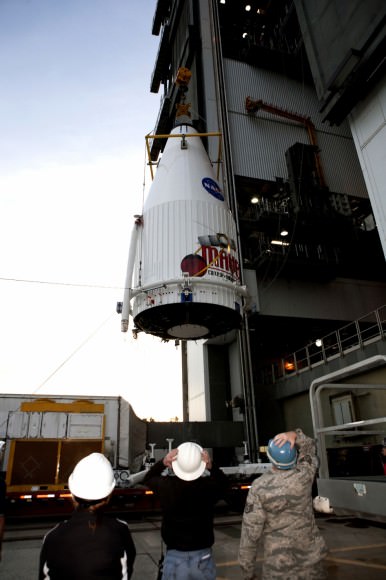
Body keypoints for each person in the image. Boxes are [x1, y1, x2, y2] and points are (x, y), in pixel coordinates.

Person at [239, 429, 328, 580]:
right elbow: (309, 447)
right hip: (312, 564)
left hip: (278, 568)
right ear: (294, 457)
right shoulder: (305, 475)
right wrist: (294, 434)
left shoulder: (260, 487)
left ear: (270, 458)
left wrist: (247, 572)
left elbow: (250, 535)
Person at [39, 452, 136, 579]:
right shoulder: (120, 530)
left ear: (72, 494)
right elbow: (126, 571)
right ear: (109, 496)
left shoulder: (52, 537)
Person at [143, 441, 228, 579]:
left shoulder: (166, 486)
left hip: (174, 557)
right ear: (201, 465)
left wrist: (163, 462)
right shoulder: (209, 487)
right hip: (203, 556)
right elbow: (225, 485)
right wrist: (212, 467)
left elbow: (148, 478)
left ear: (176, 464)